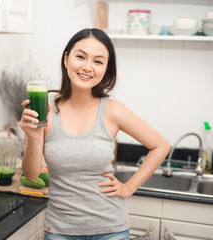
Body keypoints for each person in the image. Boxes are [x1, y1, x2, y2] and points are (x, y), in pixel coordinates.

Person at [20, 28, 170, 240]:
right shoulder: (46, 108)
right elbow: (32, 175)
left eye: (98, 61)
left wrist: (128, 188)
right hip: (60, 230)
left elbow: (161, 145)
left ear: (106, 69)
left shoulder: (112, 110)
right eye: (80, 56)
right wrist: (34, 136)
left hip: (111, 230)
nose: (87, 67)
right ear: (66, 59)